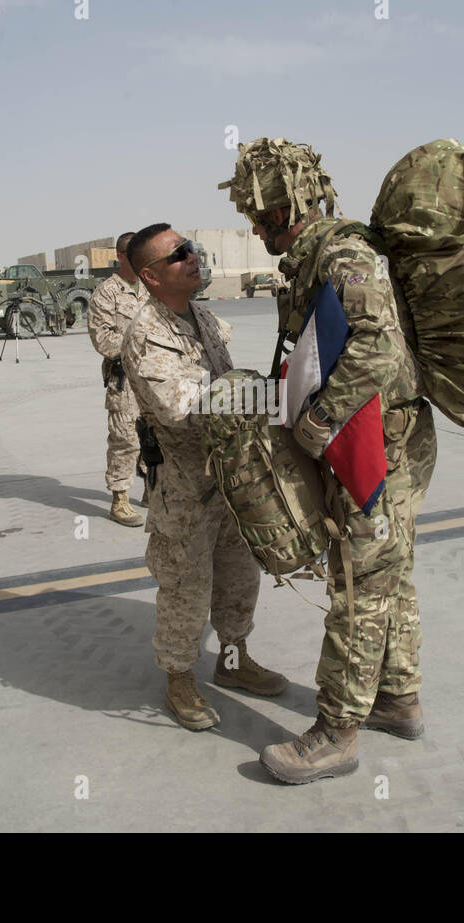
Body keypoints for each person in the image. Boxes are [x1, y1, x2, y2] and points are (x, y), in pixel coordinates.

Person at [220, 138, 437, 783]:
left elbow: (374, 345)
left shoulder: (342, 253)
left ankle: (336, 733)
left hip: (379, 444)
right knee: (388, 573)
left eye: (260, 216)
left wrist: (317, 422)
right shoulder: (312, 258)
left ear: (286, 205)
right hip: (385, 438)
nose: (255, 229)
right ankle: (397, 697)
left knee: (357, 582)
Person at [120, 223, 285, 730]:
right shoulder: (146, 334)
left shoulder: (203, 317)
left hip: (230, 474)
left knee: (239, 577)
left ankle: (233, 661)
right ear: (150, 276)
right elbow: (186, 405)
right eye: (179, 256)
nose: (193, 258)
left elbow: (225, 377)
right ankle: (179, 678)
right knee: (186, 586)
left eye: (191, 249)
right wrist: (269, 395)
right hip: (184, 487)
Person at [86, 232, 145, 526]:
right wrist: (142, 341)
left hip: (155, 378)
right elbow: (103, 341)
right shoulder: (106, 293)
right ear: (121, 256)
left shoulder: (151, 288)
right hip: (124, 380)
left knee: (156, 434)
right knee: (125, 439)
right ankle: (120, 499)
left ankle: (153, 488)